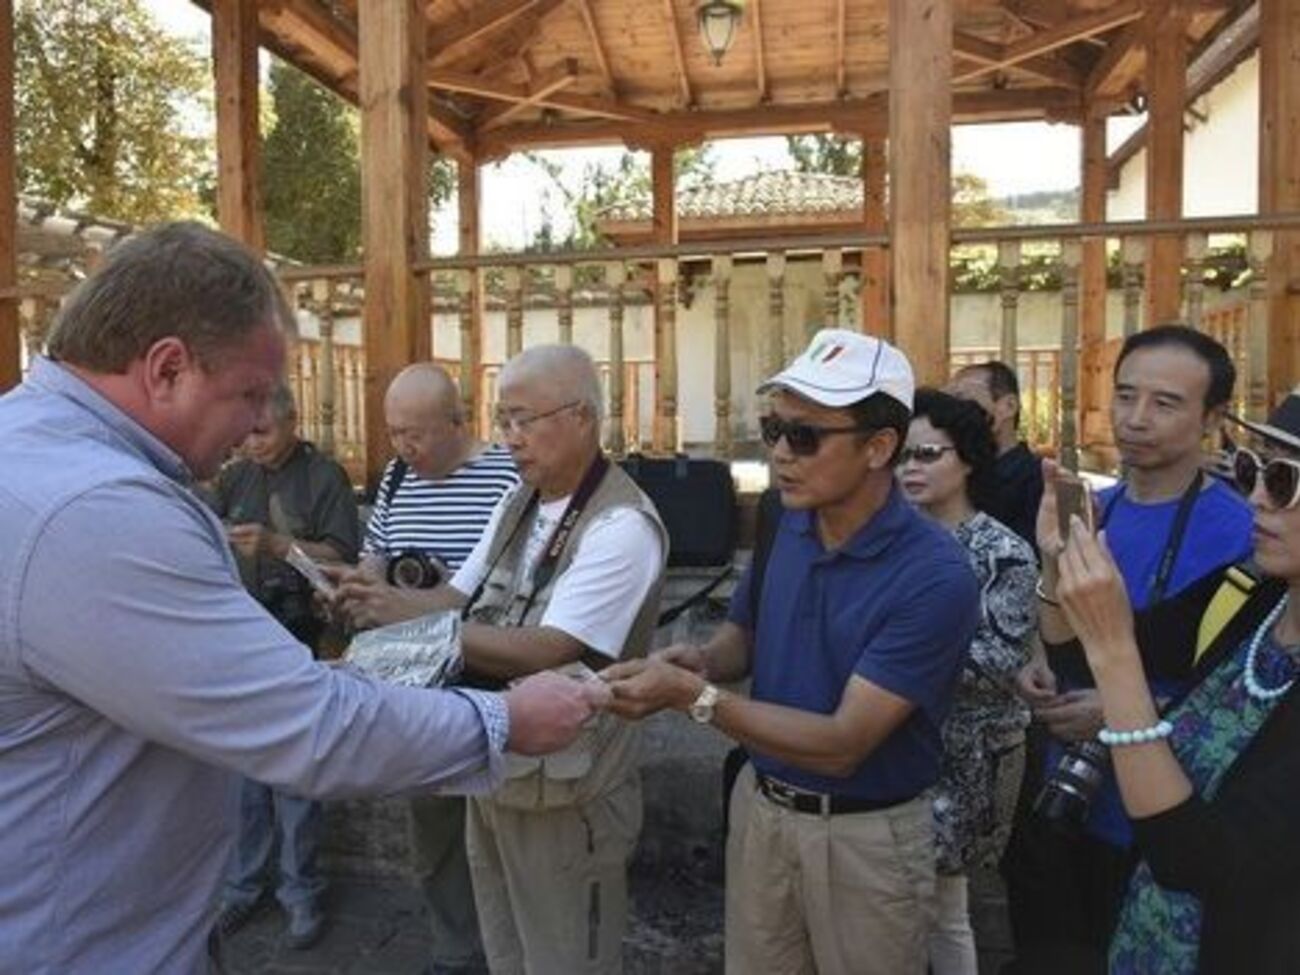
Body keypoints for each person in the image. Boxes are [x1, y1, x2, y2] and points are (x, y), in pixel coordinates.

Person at [0, 222, 604, 973]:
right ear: (165, 369)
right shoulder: (95, 508)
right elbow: (307, 726)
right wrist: (505, 718)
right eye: (249, 393)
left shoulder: (33, 454)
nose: (260, 423)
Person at [604, 329, 980, 975]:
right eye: (773, 427)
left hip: (867, 838)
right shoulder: (787, 515)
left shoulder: (936, 574)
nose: (779, 452)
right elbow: (745, 633)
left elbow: (843, 742)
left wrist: (692, 698)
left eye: (804, 435)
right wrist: (701, 659)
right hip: (764, 809)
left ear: (879, 447)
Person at [339, 343, 667, 974]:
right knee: (505, 951)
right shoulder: (518, 501)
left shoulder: (621, 524)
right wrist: (380, 599)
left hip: (570, 792)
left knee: (565, 957)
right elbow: (456, 597)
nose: (509, 438)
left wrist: (410, 623)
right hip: (497, 765)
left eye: (523, 419)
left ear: (582, 418)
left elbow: (551, 648)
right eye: (502, 420)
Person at [1004, 324, 1254, 971]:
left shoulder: (1248, 535)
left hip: (1163, 828)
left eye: (1165, 402)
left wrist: (1118, 711)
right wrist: (1039, 653)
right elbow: (1064, 640)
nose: (1136, 418)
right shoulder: (1093, 508)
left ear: (1212, 418)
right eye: (1125, 395)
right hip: (1067, 806)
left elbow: (1247, 699)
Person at [1053, 389, 1300, 975]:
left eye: (1285, 480)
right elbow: (1073, 650)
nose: (1257, 497)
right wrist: (1059, 558)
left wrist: (1113, 653)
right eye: (1251, 469)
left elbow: (1195, 860)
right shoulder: (1252, 592)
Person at [336, 363, 518, 975]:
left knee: (506, 830)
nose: (403, 448)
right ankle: (453, 950)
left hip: (493, 670)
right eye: (393, 433)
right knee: (434, 828)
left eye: (415, 434)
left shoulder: (508, 474)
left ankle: (510, 952)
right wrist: (367, 586)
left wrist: (443, 590)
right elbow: (372, 559)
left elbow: (521, 577)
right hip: (418, 679)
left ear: (457, 422)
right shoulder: (393, 479)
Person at [208, 383, 361, 948]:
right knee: (242, 780)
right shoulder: (234, 477)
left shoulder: (325, 478)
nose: (251, 443)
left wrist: (278, 545)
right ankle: (242, 888)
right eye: (246, 431)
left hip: (301, 637)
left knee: (296, 779)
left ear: (293, 423)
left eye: (262, 432)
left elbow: (344, 559)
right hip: (241, 642)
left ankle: (301, 894)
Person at [898, 389, 1038, 975]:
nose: (910, 468)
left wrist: (893, 658)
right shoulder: (888, 543)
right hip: (896, 741)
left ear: (969, 460)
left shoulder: (1003, 553)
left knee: (948, 903)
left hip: (970, 752)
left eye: (928, 454)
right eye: (902, 455)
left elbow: (998, 664)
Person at [949, 360, 1043, 549]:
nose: (954, 413)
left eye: (964, 400)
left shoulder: (1036, 479)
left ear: (1009, 406)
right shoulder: (959, 472)